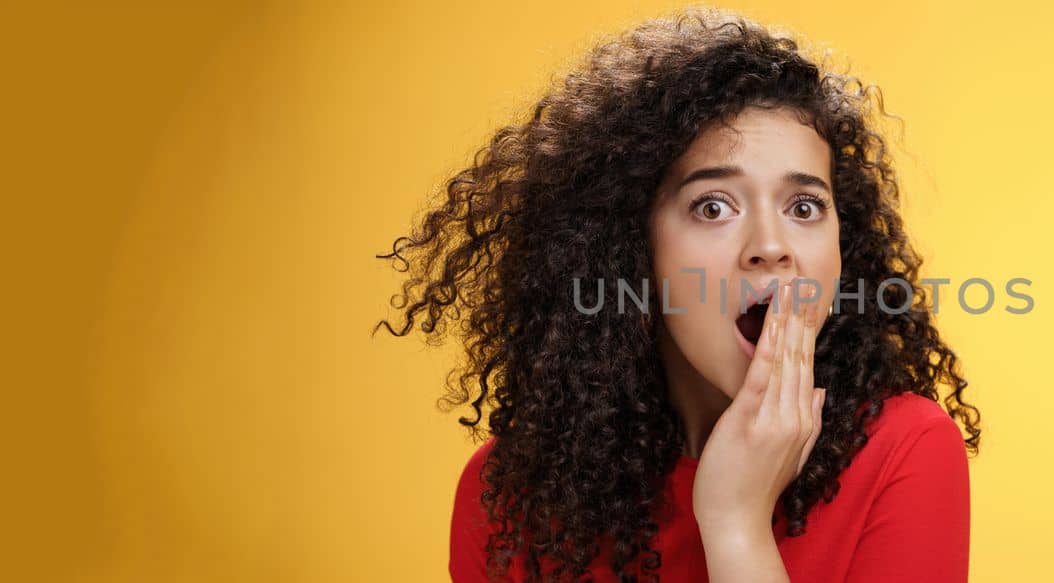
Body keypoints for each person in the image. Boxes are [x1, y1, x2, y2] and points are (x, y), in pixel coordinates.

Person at [375, 6, 982, 582]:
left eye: (804, 206)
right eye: (713, 206)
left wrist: (737, 526)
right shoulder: (508, 495)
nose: (770, 246)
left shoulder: (906, 450)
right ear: (629, 246)